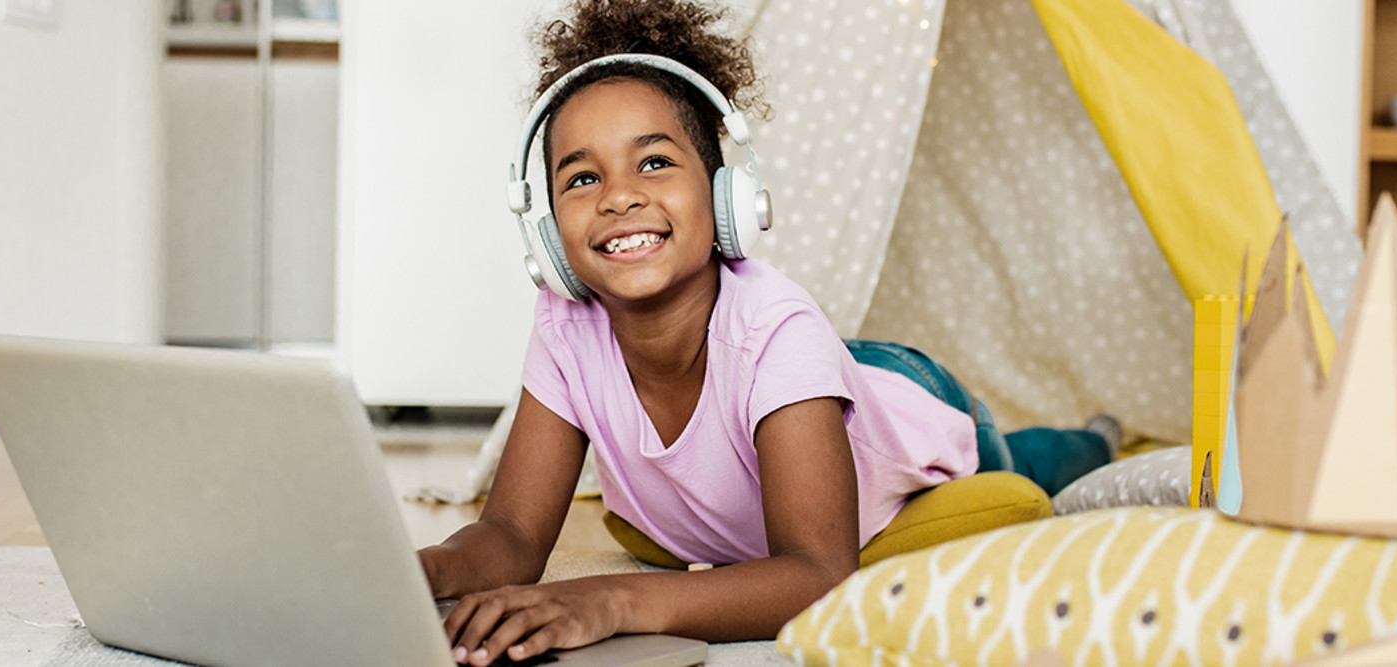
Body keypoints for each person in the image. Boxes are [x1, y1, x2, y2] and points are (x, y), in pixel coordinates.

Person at [418, 1, 1117, 664]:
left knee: (1033, 463)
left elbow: (819, 574)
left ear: (728, 197)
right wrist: (421, 569)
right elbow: (510, 533)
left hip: (909, 395)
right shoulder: (566, 327)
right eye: (581, 177)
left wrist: (614, 597)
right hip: (814, 378)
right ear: (546, 236)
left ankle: (1099, 435)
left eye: (655, 162)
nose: (619, 195)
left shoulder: (776, 327)